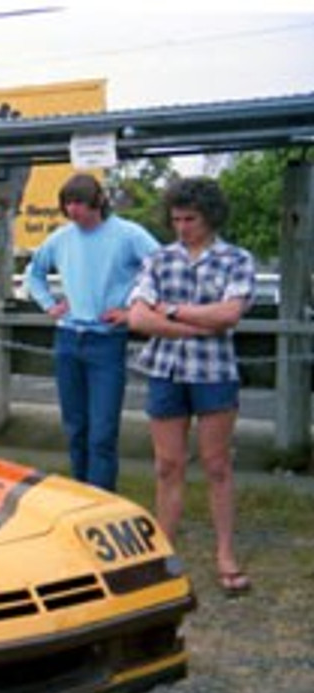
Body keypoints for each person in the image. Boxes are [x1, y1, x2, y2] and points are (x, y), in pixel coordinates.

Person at [127, 177, 255, 595]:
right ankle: (164, 549)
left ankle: (225, 552)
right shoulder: (159, 259)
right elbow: (138, 319)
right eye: (176, 218)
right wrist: (192, 327)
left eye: (191, 219)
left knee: (217, 464)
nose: (182, 227)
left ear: (210, 217)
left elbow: (230, 314)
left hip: (215, 372)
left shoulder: (236, 259)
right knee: (167, 465)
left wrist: (172, 310)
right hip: (167, 368)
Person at [25, 173, 159, 492]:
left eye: (79, 204)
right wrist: (48, 303)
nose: (73, 211)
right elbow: (35, 272)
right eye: (68, 204)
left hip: (106, 340)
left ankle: (102, 497)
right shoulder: (60, 238)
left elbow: (163, 266)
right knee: (75, 428)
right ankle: (80, 492)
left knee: (102, 431)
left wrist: (132, 311)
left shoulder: (128, 234)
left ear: (97, 202)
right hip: (69, 338)